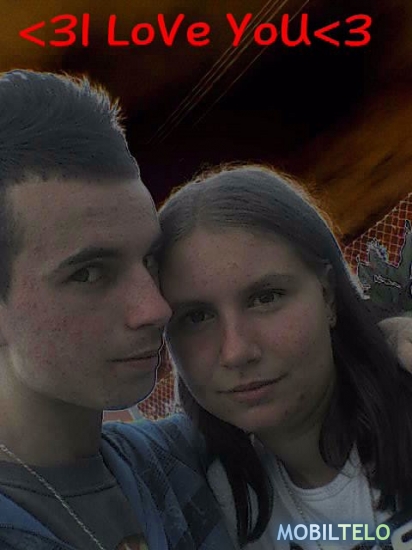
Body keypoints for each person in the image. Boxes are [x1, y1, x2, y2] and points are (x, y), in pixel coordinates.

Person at [0, 70, 236, 550]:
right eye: (89, 273)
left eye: (150, 259)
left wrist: (383, 340)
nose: (156, 308)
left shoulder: (178, 460)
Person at [157, 164, 412, 549]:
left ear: (327, 295)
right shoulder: (225, 508)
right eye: (196, 317)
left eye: (266, 298)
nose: (236, 351)